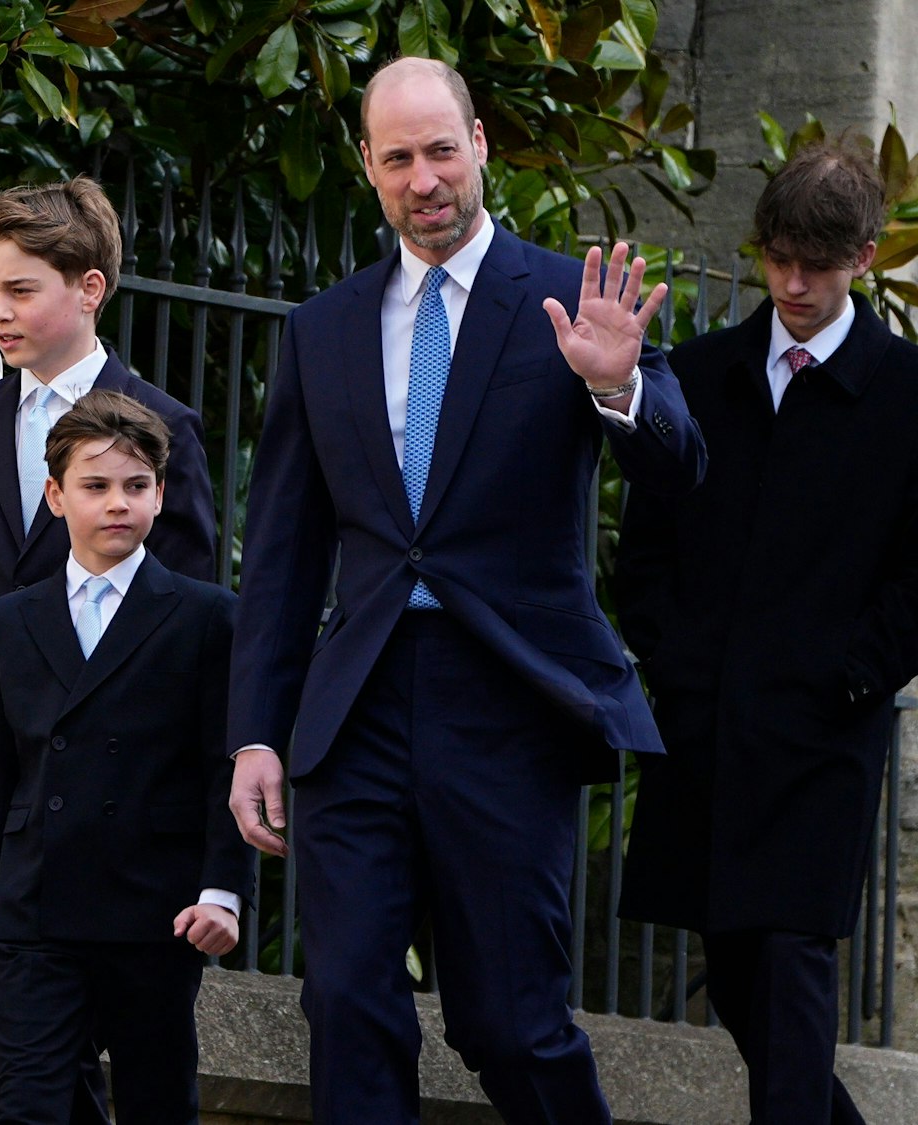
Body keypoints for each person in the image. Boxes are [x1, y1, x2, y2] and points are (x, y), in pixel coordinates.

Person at [225, 57, 706, 1124]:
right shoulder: (322, 332)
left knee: (507, 1020)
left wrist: (617, 384)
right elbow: (281, 556)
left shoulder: (564, 300)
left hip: (504, 707)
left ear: (479, 143)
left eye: (439, 150)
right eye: (396, 158)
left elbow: (682, 468)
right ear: (366, 167)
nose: (422, 178)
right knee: (344, 1001)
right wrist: (255, 732)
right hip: (353, 711)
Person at [0, 177, 217, 1125]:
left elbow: (185, 629)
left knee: (110, 1042)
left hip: (117, 799)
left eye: (21, 290)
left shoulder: (164, 430)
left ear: (89, 288)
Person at [616, 141, 918, 1125]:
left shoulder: (907, 395)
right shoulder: (700, 374)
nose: (790, 283)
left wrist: (849, 677)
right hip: (704, 723)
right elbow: (645, 535)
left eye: (815, 266)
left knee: (787, 962)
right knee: (737, 975)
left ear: (862, 259)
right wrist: (672, 661)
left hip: (821, 735)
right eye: (776, 258)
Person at [0, 390, 246, 1125]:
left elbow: (225, 769)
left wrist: (223, 891)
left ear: (162, 494)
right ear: (55, 495)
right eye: (96, 485)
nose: (119, 503)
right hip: (36, 906)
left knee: (157, 1102)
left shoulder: (207, 615)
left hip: (157, 909)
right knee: (28, 1108)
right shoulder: (11, 620)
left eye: (137, 486)